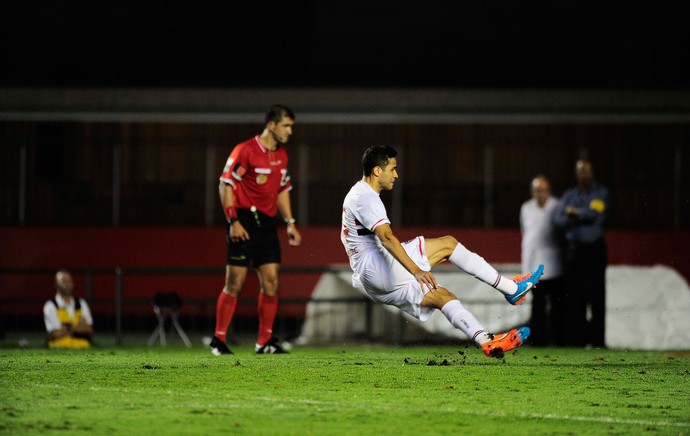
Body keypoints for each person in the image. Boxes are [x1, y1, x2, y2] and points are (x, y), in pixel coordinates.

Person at [340, 145, 544, 358]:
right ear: (377, 171)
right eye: (392, 169)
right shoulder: (366, 197)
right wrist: (416, 271)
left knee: (442, 296)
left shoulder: (356, 192)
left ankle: (486, 341)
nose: (396, 174)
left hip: (372, 281)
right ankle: (511, 288)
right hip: (378, 268)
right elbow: (387, 237)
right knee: (448, 244)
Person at [210, 104, 302, 356]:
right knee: (235, 282)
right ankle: (218, 340)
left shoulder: (282, 155)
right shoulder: (245, 150)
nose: (290, 131)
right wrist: (233, 221)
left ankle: (263, 342)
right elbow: (225, 184)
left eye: (291, 126)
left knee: (271, 282)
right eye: (286, 125)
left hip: (268, 223)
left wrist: (290, 222)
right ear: (271, 125)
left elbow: (282, 190)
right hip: (243, 220)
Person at [554, 159, 609, 348]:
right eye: (581, 171)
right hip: (573, 252)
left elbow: (596, 214)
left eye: (587, 171)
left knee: (596, 297)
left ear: (592, 173)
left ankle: (597, 341)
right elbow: (558, 219)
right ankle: (577, 341)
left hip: (593, 251)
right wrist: (579, 215)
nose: (584, 175)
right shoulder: (569, 195)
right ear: (576, 174)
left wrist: (575, 214)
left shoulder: (600, 193)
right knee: (575, 298)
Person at [519, 175, 565, 346]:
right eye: (538, 190)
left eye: (544, 190)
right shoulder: (526, 208)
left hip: (554, 264)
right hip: (534, 265)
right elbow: (527, 237)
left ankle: (557, 341)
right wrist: (525, 268)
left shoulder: (557, 206)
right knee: (537, 305)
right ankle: (538, 340)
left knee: (556, 306)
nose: (541, 194)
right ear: (532, 192)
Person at [43, 269, 94, 349]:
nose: (67, 284)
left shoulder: (81, 303)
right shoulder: (51, 306)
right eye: (64, 281)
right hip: (58, 349)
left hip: (82, 349)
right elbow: (55, 333)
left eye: (69, 281)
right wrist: (78, 327)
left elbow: (89, 329)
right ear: (56, 284)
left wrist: (66, 328)